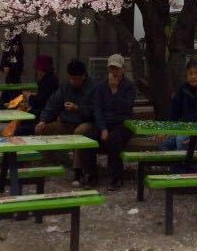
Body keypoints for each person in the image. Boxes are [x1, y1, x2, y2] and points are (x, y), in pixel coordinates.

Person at [35, 59, 96, 182]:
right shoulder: (65, 87)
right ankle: (41, 167)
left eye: (75, 79)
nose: (72, 81)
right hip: (66, 122)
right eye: (71, 78)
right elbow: (52, 104)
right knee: (44, 129)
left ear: (83, 76)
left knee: (80, 133)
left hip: (85, 122)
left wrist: (77, 109)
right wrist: (43, 120)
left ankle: (78, 172)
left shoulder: (93, 88)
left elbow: (95, 111)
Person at [93, 53, 136, 190]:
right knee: (89, 136)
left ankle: (116, 177)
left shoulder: (129, 86)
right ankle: (90, 174)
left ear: (123, 69)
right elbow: (97, 109)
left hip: (123, 124)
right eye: (111, 69)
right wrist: (103, 128)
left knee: (114, 139)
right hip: (106, 124)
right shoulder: (100, 86)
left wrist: (114, 90)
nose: (114, 72)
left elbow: (126, 107)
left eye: (117, 69)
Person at [14, 54, 59, 136]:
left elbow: (40, 102)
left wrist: (29, 96)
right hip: (46, 114)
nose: (37, 71)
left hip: (44, 117)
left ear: (41, 69)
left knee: (20, 128)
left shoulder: (47, 80)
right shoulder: (52, 78)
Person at [0, 33, 24, 104]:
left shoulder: (17, 42)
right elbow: (6, 55)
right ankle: (7, 103)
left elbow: (19, 55)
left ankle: (7, 103)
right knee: (10, 85)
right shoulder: (10, 42)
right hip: (12, 69)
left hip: (15, 69)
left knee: (13, 85)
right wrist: (6, 65)